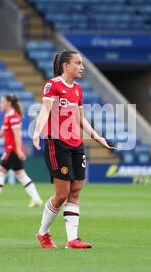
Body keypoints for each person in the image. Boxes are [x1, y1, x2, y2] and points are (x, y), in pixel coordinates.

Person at [32, 50, 115, 249]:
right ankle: (43, 233)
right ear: (66, 66)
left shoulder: (77, 89)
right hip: (57, 143)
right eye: (78, 63)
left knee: (75, 191)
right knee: (62, 194)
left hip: (76, 144)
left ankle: (72, 240)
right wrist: (37, 132)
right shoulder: (52, 85)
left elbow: (80, 118)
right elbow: (45, 109)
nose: (82, 67)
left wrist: (97, 137)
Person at [0, 95, 42, 207]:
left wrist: (18, 150)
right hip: (14, 149)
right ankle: (36, 199)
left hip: (12, 150)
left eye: (2, 102)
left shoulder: (12, 115)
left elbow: (17, 133)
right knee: (21, 174)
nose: (0, 104)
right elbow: (3, 131)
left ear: (9, 103)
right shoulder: (9, 115)